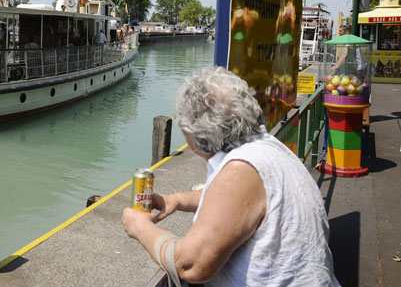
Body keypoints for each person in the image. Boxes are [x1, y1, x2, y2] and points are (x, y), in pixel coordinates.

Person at [121, 66, 338, 286]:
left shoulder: (241, 170)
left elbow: (190, 264)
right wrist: (176, 200)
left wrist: (139, 226)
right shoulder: (266, 149)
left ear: (195, 133)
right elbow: (234, 202)